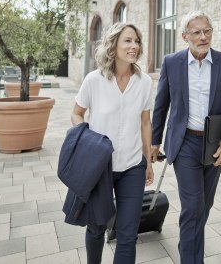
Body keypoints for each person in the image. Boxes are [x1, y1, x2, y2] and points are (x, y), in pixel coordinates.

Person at [151, 11, 221, 263]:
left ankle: (188, 246)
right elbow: (161, 105)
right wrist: (154, 141)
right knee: (193, 206)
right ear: (185, 36)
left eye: (207, 31)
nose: (203, 37)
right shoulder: (172, 63)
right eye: (197, 32)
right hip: (184, 143)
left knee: (204, 205)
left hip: (214, 146)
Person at [71, 22, 154, 264]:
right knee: (96, 228)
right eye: (128, 40)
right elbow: (77, 113)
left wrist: (148, 161)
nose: (134, 46)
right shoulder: (94, 80)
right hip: (100, 167)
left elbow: (145, 123)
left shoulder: (144, 82)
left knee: (128, 234)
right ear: (113, 44)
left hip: (132, 166)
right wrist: (88, 142)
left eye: (137, 41)